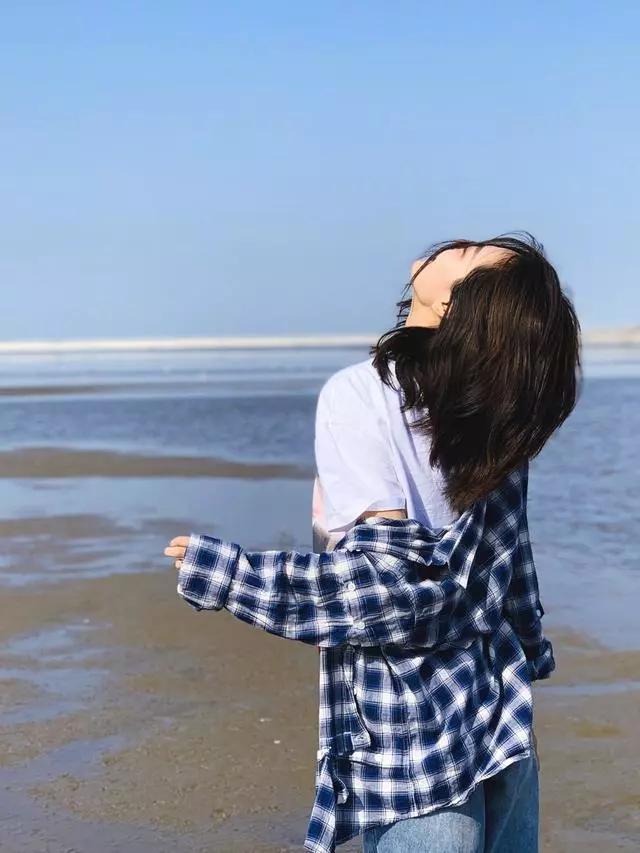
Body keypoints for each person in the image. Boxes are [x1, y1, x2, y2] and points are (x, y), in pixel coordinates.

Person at [164, 234, 581, 852]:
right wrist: (531, 652)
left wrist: (233, 576)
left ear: (453, 307)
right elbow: (511, 567)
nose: (453, 245)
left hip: (412, 736)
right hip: (502, 717)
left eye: (468, 253)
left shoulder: (361, 395)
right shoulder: (499, 414)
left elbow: (388, 589)